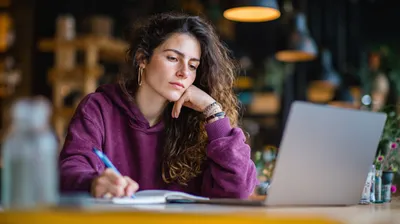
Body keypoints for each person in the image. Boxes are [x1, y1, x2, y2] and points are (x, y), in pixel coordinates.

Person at [59, 12, 258, 199]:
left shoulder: (197, 123)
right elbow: (70, 172)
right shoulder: (99, 108)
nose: (183, 72)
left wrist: (212, 109)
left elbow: (238, 190)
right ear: (142, 59)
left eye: (192, 66)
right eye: (173, 58)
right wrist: (95, 183)